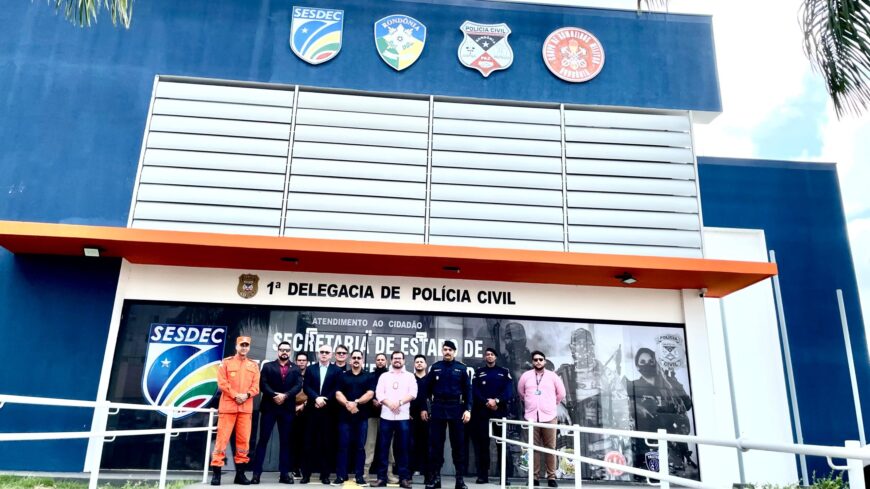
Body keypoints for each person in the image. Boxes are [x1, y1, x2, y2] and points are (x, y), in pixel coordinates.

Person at [627, 348, 694, 478]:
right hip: (647, 445)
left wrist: (674, 385)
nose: (647, 364)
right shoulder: (633, 387)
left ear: (656, 363)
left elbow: (687, 405)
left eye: (651, 361)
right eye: (642, 362)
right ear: (637, 366)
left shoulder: (668, 384)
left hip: (674, 444)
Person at [210, 336, 262, 486]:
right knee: (221, 441)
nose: (244, 347)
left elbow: (256, 387)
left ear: (249, 347)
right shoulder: (226, 363)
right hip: (228, 407)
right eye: (241, 345)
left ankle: (240, 474)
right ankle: (216, 474)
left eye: (246, 345)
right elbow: (222, 383)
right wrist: (235, 395)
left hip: (245, 409)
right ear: (236, 346)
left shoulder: (253, 365)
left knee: (243, 443)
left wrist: (246, 395)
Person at [420, 341, 472, 489]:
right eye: (445, 349)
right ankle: (436, 478)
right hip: (438, 407)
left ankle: (459, 480)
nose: (447, 352)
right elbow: (425, 390)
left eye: (450, 350)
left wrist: (468, 409)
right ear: (442, 351)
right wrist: (424, 408)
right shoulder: (435, 367)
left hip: (456, 408)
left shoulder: (461, 368)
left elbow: (468, 391)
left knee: (458, 445)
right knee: (436, 444)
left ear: (454, 352)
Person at [251, 341, 303, 484]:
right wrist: (275, 395)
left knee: (285, 442)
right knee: (263, 440)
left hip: (287, 409)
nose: (284, 352)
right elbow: (263, 384)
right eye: (282, 350)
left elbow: (298, 385)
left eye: (287, 350)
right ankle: (256, 474)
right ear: (278, 351)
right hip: (270, 408)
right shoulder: (268, 366)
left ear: (290, 352)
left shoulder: (295, 368)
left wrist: (285, 396)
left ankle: (284, 474)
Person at [517, 351, 565, 488]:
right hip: (531, 417)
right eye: (535, 359)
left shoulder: (553, 376)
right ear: (532, 362)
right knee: (533, 448)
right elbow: (521, 393)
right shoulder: (526, 376)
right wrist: (531, 403)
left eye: (540, 359)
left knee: (550, 448)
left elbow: (561, 393)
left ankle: (551, 478)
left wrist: (551, 404)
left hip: (549, 417)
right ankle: (534, 477)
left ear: (544, 361)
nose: (538, 362)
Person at [374, 351, 417, 489]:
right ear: (391, 360)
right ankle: (381, 478)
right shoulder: (384, 376)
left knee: (403, 448)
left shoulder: (410, 376)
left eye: (400, 358)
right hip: (386, 416)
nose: (397, 360)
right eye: (395, 358)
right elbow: (379, 393)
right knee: (383, 448)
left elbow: (413, 393)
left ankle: (404, 478)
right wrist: (390, 404)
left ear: (404, 360)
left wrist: (399, 403)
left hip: (403, 416)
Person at [301, 343, 343, 484]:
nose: (324, 354)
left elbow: (337, 388)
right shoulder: (310, 369)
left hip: (329, 412)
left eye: (327, 352)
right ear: (318, 354)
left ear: (331, 355)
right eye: (322, 352)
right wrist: (316, 398)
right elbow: (306, 387)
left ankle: (325, 475)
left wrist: (324, 400)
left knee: (327, 443)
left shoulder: (337, 370)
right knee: (308, 443)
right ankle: (306, 474)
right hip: (312, 411)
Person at [471, 348, 513, 484]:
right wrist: (486, 402)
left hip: (499, 412)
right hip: (482, 412)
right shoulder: (479, 372)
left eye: (492, 354)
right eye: (487, 354)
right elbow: (475, 391)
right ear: (485, 357)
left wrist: (497, 401)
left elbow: (509, 391)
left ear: (496, 357)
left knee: (501, 444)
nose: (489, 356)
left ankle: (504, 477)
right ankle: (483, 475)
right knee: (483, 445)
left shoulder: (504, 372)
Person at [334, 350, 376, 486]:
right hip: (344, 418)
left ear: (362, 360)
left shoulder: (369, 376)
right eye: (354, 358)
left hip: (361, 418)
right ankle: (341, 476)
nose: (356, 360)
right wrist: (348, 404)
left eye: (359, 357)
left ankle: (359, 476)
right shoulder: (343, 376)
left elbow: (370, 394)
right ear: (350, 360)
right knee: (343, 446)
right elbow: (338, 393)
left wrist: (356, 402)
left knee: (360, 447)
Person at [364, 353, 395, 483]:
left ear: (386, 361)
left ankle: (389, 473)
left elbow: (395, 393)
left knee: (389, 446)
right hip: (371, 415)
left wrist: (383, 402)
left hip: (388, 415)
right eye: (378, 360)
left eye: (382, 359)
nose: (380, 361)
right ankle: (365, 473)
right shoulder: (369, 376)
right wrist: (372, 400)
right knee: (369, 444)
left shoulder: (391, 376)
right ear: (375, 361)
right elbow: (365, 392)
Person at [409, 354, 429, 478]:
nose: (419, 363)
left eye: (421, 362)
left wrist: (426, 409)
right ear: (414, 364)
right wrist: (407, 412)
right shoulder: (410, 379)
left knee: (426, 444)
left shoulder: (430, 379)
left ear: (425, 364)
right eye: (417, 362)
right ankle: (410, 472)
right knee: (411, 444)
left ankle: (427, 473)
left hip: (427, 417)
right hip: (411, 416)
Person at [291, 352, 309, 479]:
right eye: (299, 360)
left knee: (304, 441)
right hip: (291, 410)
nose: (301, 362)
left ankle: (304, 468)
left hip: (306, 411)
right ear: (296, 361)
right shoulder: (291, 373)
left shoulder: (311, 374)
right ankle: (294, 468)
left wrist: (303, 405)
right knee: (293, 441)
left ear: (307, 362)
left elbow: (314, 391)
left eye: (304, 360)